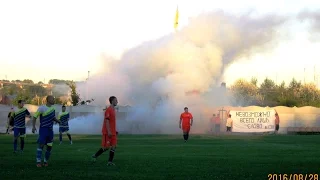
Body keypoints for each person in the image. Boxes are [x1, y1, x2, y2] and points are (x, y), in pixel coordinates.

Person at [32, 95, 60, 167]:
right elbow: (35, 117)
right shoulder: (42, 108)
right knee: (41, 145)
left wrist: (57, 120)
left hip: (50, 130)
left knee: (49, 146)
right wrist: (33, 126)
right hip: (43, 129)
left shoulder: (53, 109)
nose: (54, 100)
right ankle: (38, 162)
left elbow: (52, 117)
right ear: (48, 100)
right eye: (52, 99)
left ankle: (45, 161)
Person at [91, 96, 118, 166]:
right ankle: (95, 155)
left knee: (114, 146)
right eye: (116, 100)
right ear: (112, 101)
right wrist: (109, 131)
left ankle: (110, 162)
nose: (117, 102)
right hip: (107, 132)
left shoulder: (114, 110)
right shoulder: (108, 110)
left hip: (113, 132)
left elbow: (112, 122)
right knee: (106, 147)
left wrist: (115, 130)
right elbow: (107, 121)